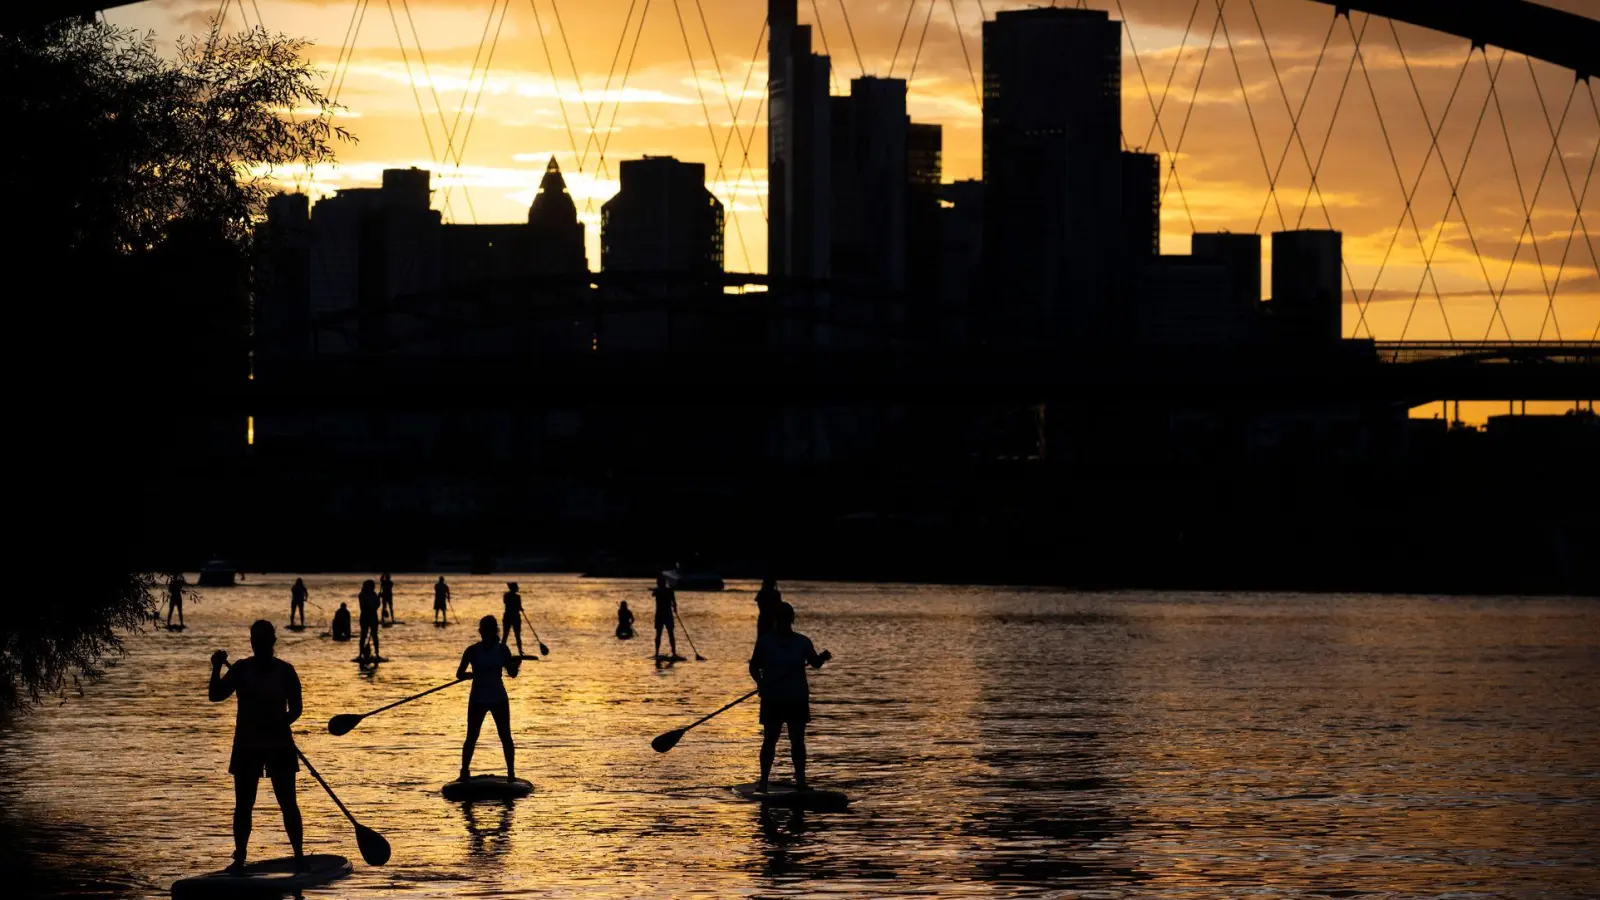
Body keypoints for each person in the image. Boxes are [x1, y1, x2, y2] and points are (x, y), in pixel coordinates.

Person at [209, 620, 304, 874]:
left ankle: (299, 856)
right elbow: (215, 695)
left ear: (271, 642)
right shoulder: (241, 669)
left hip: (278, 743)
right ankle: (240, 857)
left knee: (288, 803)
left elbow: (296, 709)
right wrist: (216, 667)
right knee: (243, 805)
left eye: (262, 641)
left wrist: (279, 722)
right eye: (255, 641)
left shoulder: (285, 671)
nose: (258, 645)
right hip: (247, 744)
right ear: (252, 642)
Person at [749, 602, 831, 792]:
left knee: (797, 741)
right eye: (782, 618)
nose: (784, 622)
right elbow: (754, 666)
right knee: (770, 739)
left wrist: (822, 657)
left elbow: (815, 663)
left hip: (796, 698)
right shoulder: (765, 642)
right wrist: (760, 683)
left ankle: (800, 782)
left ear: (790, 620)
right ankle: (763, 782)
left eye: (786, 619)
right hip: (773, 698)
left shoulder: (802, 642)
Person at [457, 615, 521, 782]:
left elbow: (512, 674)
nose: (485, 633)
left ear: (494, 632)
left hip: (498, 698)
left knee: (505, 736)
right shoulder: (472, 651)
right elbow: (459, 674)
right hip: (478, 699)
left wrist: (516, 664)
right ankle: (464, 772)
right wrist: (468, 675)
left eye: (488, 630)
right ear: (480, 631)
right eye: (484, 630)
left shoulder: (502, 650)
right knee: (472, 737)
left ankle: (511, 774)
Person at [652, 575, 677, 659]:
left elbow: (674, 601)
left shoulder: (668, 591)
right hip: (660, 614)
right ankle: (657, 653)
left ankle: (673, 653)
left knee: (670, 633)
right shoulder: (659, 590)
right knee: (659, 633)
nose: (658, 583)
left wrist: (675, 608)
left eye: (659, 582)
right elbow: (653, 594)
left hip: (666, 614)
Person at [357, 579, 381, 660]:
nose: (374, 588)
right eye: (372, 586)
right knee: (363, 635)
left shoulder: (374, 594)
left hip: (373, 617)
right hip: (365, 617)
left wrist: (378, 599)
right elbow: (364, 606)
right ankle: (360, 654)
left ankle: (377, 653)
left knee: (374, 635)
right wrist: (374, 604)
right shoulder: (362, 595)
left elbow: (377, 605)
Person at [501, 583, 525, 655]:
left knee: (507, 635)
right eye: (517, 587)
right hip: (513, 617)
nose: (518, 588)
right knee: (512, 635)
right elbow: (517, 606)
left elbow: (517, 606)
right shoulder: (515, 597)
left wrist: (520, 608)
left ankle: (520, 651)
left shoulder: (507, 595)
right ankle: (520, 651)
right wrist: (520, 608)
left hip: (510, 617)